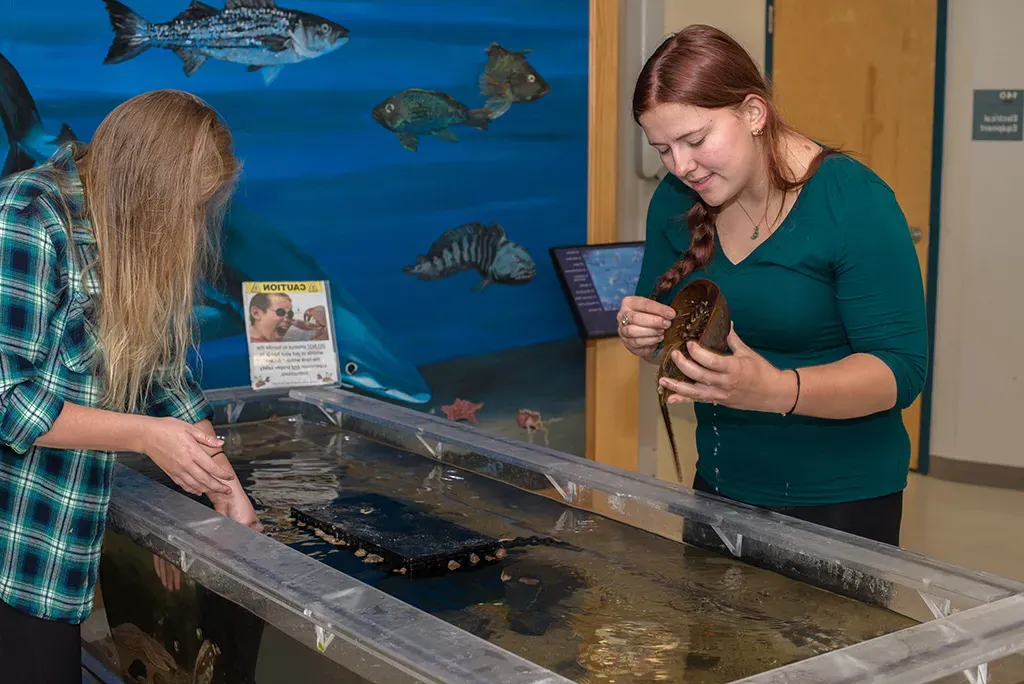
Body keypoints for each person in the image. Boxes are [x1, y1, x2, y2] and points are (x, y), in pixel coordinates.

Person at [617, 25, 928, 547]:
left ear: (754, 113)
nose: (681, 166)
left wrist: (777, 390)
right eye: (662, 149)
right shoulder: (674, 200)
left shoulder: (853, 201)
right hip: (720, 486)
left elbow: (900, 371)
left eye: (695, 141)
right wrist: (646, 339)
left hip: (841, 500)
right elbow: (683, 351)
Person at [0, 89, 262, 683]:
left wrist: (222, 492)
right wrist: (146, 436)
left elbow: (164, 374)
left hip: (53, 549)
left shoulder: (125, 234)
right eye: (180, 207)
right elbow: (6, 399)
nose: (186, 225)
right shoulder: (27, 216)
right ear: (142, 183)